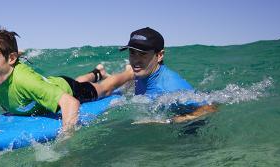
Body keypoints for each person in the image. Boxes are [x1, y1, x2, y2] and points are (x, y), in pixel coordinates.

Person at [0, 28, 130, 137]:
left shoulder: (25, 81)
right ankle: (98, 73)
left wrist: (66, 138)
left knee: (105, 88)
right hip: (54, 84)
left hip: (70, 90)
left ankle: (128, 73)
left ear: (11, 59)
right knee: (78, 82)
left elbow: (71, 104)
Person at [83, 27, 217, 123]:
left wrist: (167, 120)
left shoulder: (171, 87)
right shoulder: (142, 72)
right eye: (132, 53)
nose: (136, 60)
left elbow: (210, 108)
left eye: (142, 54)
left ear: (159, 55)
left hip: (188, 130)